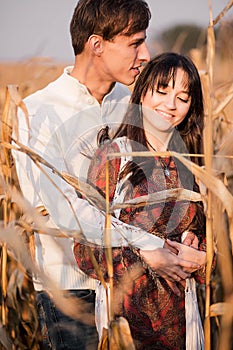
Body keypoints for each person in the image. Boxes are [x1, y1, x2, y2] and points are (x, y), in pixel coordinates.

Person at [12, 0, 200, 348]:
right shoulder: (36, 113)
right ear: (97, 45)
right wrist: (147, 245)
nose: (145, 54)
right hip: (72, 291)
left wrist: (187, 233)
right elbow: (60, 211)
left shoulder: (133, 106)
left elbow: (167, 184)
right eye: (134, 43)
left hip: (139, 291)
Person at [74, 52, 207, 349]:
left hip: (182, 323)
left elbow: (214, 243)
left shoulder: (191, 165)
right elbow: (85, 249)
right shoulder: (114, 157)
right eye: (162, 91)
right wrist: (148, 254)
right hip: (126, 324)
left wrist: (200, 259)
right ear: (142, 91)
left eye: (183, 97)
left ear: (191, 106)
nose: (171, 105)